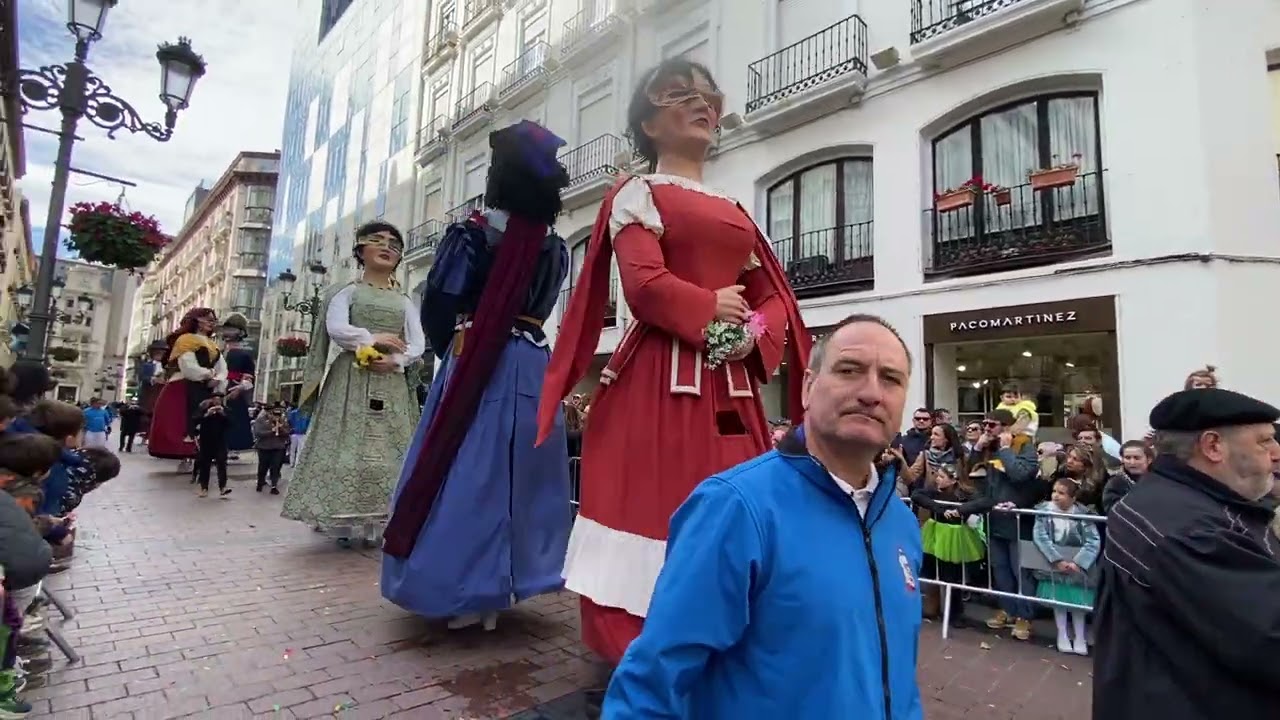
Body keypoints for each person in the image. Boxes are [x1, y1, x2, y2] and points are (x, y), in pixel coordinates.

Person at [536, 57, 809, 666]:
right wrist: (712, 306)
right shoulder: (637, 193)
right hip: (658, 377)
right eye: (680, 93)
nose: (702, 102)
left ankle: (729, 641)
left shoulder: (736, 211)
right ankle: (643, 654)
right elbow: (645, 287)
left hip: (730, 381)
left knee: (736, 503)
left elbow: (773, 301)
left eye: (710, 94)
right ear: (648, 122)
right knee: (653, 499)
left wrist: (746, 338)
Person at [602, 315, 922, 719]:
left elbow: (899, 680)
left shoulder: (902, 524)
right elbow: (653, 683)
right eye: (849, 371)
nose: (872, 392)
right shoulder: (735, 507)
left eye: (891, 379)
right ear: (807, 387)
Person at [381, 121, 573, 630]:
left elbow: (440, 304)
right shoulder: (555, 248)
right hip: (532, 361)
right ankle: (513, 582)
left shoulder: (470, 234)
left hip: (479, 358)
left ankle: (461, 585)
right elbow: (547, 303)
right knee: (528, 477)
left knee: (465, 470)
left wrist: (456, 349)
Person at [1093, 388, 1280, 719]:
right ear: (1212, 446)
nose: (1276, 452)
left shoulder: (1170, 502)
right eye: (1264, 441)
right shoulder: (1190, 532)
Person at [280, 222, 426, 546]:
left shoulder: (404, 301)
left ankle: (383, 518)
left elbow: (417, 343)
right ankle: (343, 518)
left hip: (391, 380)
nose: (387, 247)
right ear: (361, 250)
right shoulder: (346, 292)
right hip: (351, 377)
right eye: (377, 241)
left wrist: (397, 360)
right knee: (346, 445)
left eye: (394, 243)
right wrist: (370, 339)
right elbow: (336, 328)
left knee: (392, 449)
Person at [961, 408, 1042, 641]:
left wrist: (1006, 450)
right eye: (985, 425)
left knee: (1021, 570)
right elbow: (969, 473)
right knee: (1000, 568)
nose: (987, 429)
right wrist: (977, 449)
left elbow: (1020, 474)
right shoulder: (987, 447)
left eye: (992, 425)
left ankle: (1025, 615)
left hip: (1017, 518)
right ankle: (1008, 608)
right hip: (994, 516)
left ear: (1006, 427)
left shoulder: (1024, 445)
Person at [147, 308, 227, 468]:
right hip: (182, 388)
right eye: (208, 319)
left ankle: (198, 456)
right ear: (196, 320)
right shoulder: (185, 340)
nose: (212, 322)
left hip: (205, 389)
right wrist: (210, 375)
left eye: (213, 320)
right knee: (184, 422)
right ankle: (187, 457)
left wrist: (218, 382)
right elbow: (188, 368)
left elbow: (223, 368)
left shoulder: (213, 345)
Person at [1031, 478, 1101, 655]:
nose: (1056, 496)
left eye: (1061, 493)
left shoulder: (1083, 514)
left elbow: (1093, 540)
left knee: (1078, 603)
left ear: (1073, 497)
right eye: (1054, 491)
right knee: (1059, 602)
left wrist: (1078, 562)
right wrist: (1056, 559)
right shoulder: (1044, 512)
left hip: (1076, 567)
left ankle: (1079, 636)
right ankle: (1062, 633)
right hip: (1055, 565)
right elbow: (1040, 536)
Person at [218, 314, 256, 456]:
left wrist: (240, 388)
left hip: (234, 391)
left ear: (240, 332)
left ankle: (231, 447)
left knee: (233, 421)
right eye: (226, 329)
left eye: (232, 329)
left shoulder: (244, 355)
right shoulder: (219, 353)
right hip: (218, 388)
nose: (227, 332)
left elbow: (248, 378)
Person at [192, 396, 231, 499]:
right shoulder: (203, 408)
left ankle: (223, 487)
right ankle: (204, 488)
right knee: (205, 465)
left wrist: (223, 414)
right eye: (215, 399)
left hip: (220, 442)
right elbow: (195, 420)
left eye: (219, 399)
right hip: (206, 442)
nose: (217, 401)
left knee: (222, 463)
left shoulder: (224, 410)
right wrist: (206, 414)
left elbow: (231, 424)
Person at [1100, 439, 1151, 514]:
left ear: (1149, 460)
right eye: (1127, 458)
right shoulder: (1115, 483)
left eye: (1137, 458)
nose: (1132, 462)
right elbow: (1112, 510)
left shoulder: (1160, 480)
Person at [251, 403, 290, 494]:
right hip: (264, 447)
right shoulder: (261, 420)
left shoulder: (282, 420)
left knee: (275, 466)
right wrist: (271, 431)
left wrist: (280, 429)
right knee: (263, 466)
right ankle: (260, 482)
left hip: (278, 447)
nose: (274, 416)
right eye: (271, 413)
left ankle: (274, 486)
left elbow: (287, 432)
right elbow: (258, 433)